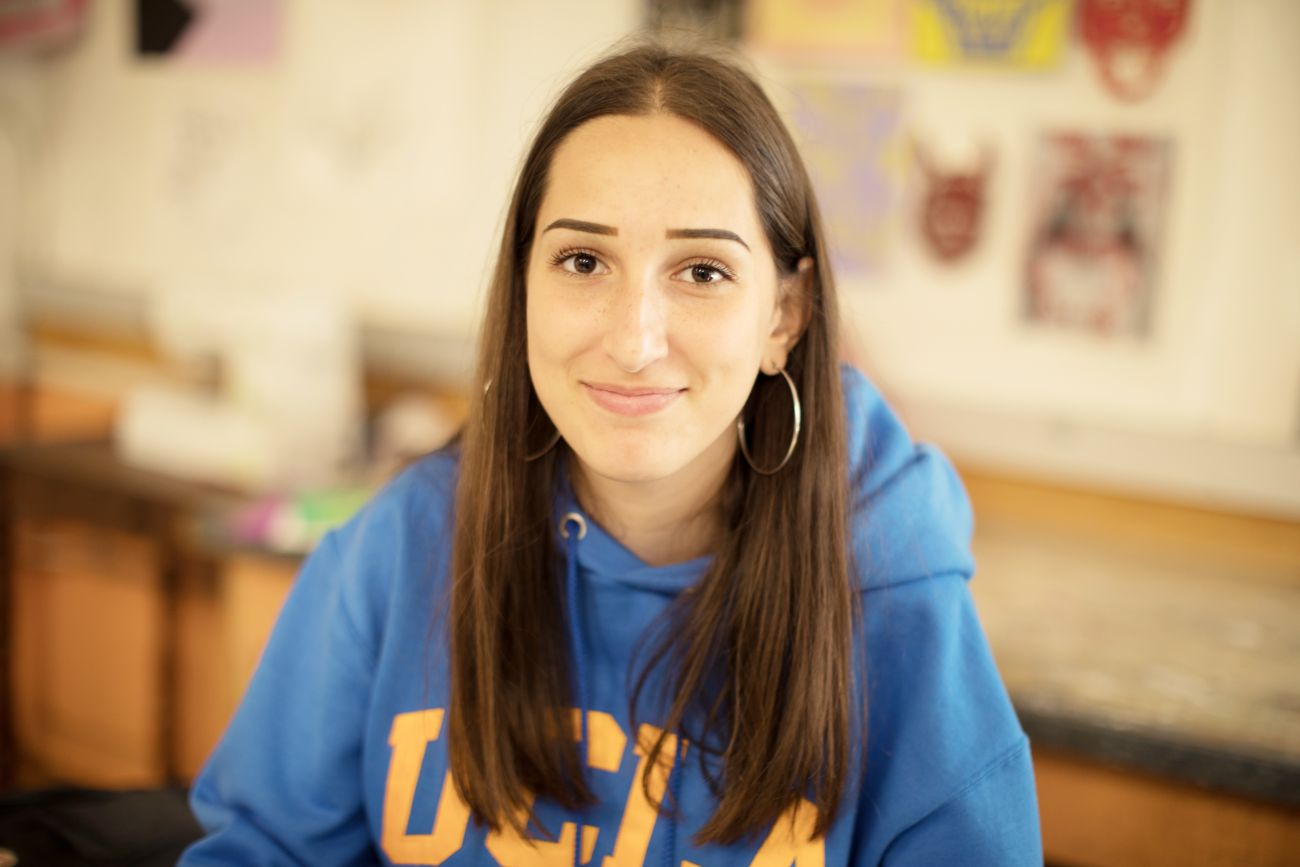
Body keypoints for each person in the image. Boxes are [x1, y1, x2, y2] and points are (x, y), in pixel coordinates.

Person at [180, 41, 1041, 866]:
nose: (635, 340)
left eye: (701, 272)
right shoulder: (399, 549)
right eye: (583, 260)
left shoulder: (894, 598)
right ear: (522, 288)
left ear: (784, 315)